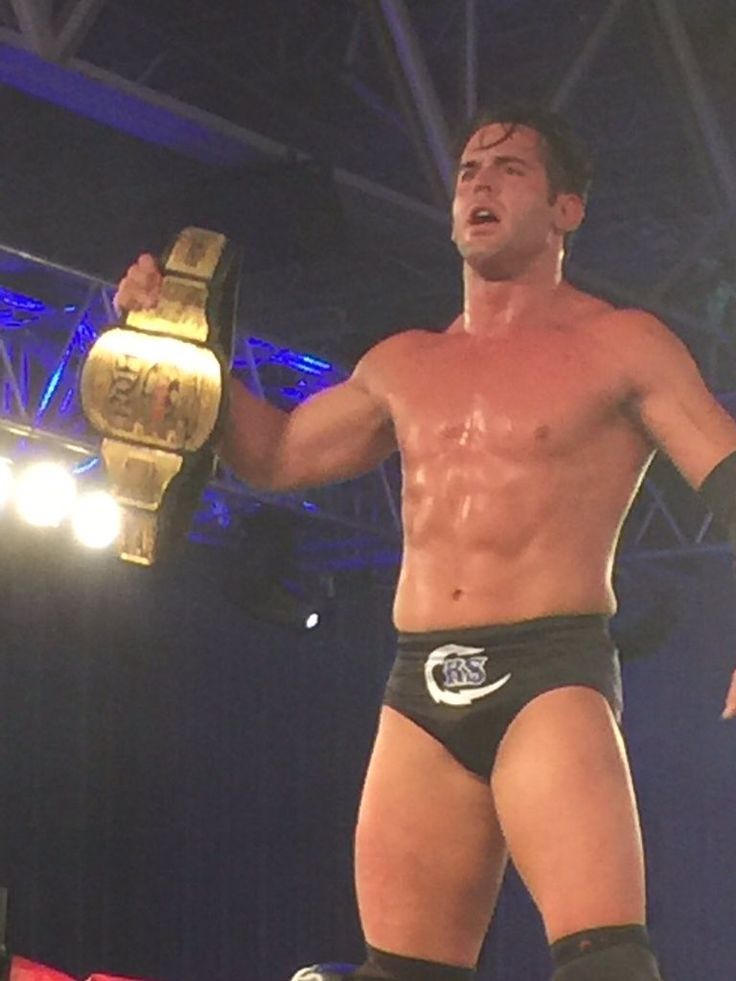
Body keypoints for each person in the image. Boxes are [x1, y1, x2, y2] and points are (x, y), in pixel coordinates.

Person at [114, 103, 736, 981]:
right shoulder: (404, 362)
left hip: (548, 675)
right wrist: (170, 341)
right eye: (468, 171)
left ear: (567, 210)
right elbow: (275, 453)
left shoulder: (621, 344)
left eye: (510, 168)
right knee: (399, 974)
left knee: (608, 970)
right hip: (419, 686)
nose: (480, 182)